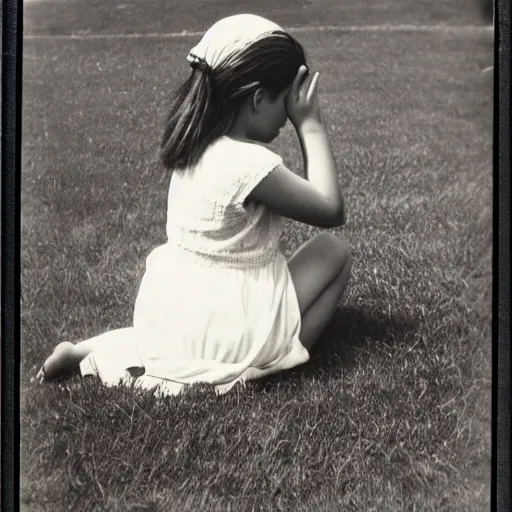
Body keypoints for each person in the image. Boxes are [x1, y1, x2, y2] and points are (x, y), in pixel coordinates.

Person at [36, 14, 352, 396]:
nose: (288, 117)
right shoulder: (251, 165)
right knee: (335, 253)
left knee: (177, 338)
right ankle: (281, 353)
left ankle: (83, 350)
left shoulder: (195, 146)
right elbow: (330, 210)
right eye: (285, 103)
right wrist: (311, 124)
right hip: (232, 327)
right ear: (255, 98)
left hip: (170, 314)